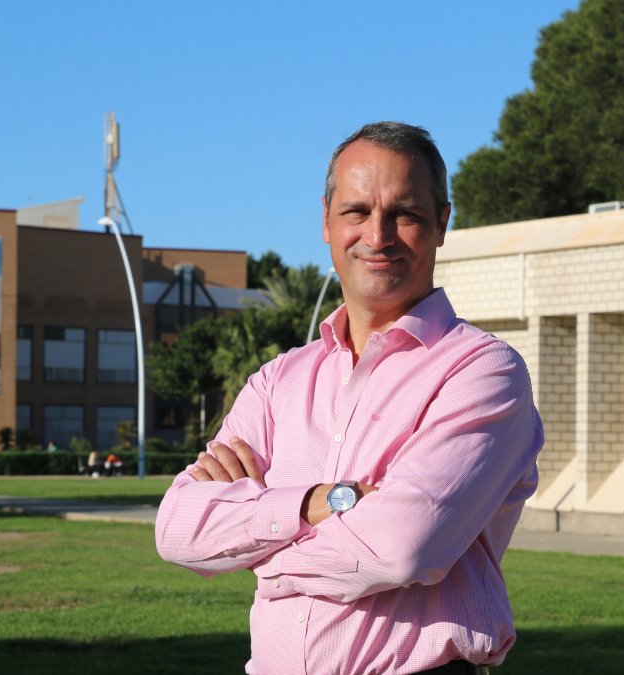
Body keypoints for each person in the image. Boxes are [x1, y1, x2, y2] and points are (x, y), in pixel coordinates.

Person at [155, 122, 544, 675]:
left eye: (404, 214)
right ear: (326, 220)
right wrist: (326, 502)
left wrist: (259, 551)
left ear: (442, 223)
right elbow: (176, 530)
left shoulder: (480, 372)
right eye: (357, 211)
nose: (377, 235)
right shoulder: (277, 382)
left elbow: (403, 548)